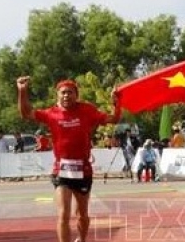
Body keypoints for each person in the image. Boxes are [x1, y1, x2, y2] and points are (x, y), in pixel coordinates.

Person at [17, 76, 121, 242]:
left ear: (76, 95)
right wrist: (22, 91)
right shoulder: (51, 113)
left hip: (83, 170)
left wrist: (116, 103)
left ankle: (82, 238)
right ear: (57, 95)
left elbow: (113, 119)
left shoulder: (87, 110)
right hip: (61, 171)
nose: (66, 96)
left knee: (82, 215)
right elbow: (25, 113)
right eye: (63, 93)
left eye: (70, 93)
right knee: (63, 214)